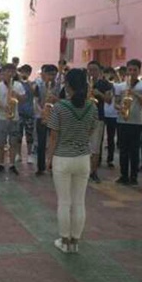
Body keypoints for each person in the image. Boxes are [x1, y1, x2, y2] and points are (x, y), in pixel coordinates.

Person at [46, 68, 98, 254]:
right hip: (83, 158)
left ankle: (64, 240)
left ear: (67, 85)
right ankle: (75, 242)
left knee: (64, 202)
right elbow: (91, 130)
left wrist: (49, 158)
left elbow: (53, 136)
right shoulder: (92, 107)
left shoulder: (59, 107)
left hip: (62, 158)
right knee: (79, 202)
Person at [113, 59, 142, 186]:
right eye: (130, 70)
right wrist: (120, 108)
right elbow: (116, 103)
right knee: (123, 150)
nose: (132, 72)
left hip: (137, 121)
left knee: (134, 151)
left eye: (135, 70)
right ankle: (123, 175)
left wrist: (135, 93)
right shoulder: (120, 86)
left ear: (139, 71)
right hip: (122, 121)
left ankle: (134, 176)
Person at [0, 63, 25, 175]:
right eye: (7, 71)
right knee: (0, 143)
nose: (10, 74)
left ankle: (12, 164)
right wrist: (3, 106)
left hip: (14, 118)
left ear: (15, 73)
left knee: (13, 142)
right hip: (1, 117)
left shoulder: (18, 85)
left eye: (12, 72)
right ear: (3, 73)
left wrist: (16, 95)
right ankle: (0, 164)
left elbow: (23, 99)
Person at [86, 61, 113, 183]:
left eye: (94, 70)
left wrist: (99, 94)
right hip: (83, 117)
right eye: (90, 70)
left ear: (100, 71)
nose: (92, 72)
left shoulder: (105, 84)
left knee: (96, 146)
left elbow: (109, 100)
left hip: (98, 117)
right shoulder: (83, 83)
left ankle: (93, 171)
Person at [34, 64, 59, 175]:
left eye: (54, 75)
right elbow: (36, 101)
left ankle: (52, 165)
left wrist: (56, 99)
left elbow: (63, 102)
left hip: (55, 117)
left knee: (54, 143)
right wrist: (42, 112)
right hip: (42, 117)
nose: (51, 77)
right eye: (49, 74)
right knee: (41, 143)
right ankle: (40, 167)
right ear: (44, 74)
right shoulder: (39, 86)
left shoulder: (60, 87)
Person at [17, 64, 35, 164]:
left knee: (29, 135)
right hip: (19, 112)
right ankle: (18, 154)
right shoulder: (17, 83)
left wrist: (28, 82)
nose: (25, 74)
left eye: (27, 72)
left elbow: (34, 93)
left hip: (29, 113)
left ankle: (29, 155)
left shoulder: (32, 83)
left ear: (30, 73)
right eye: (23, 72)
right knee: (18, 135)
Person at [103, 67, 119, 168]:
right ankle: (98, 158)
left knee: (111, 138)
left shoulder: (117, 85)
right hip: (102, 113)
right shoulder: (102, 84)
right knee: (99, 138)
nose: (108, 76)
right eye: (106, 74)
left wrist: (112, 87)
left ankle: (110, 159)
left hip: (113, 114)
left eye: (110, 74)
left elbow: (110, 100)